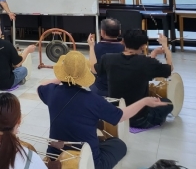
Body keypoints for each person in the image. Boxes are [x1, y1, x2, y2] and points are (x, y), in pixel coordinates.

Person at [38, 51, 168, 169]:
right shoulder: (94, 100)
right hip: (87, 161)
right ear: (85, 74)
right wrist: (145, 101)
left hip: (55, 155)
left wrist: (65, 76)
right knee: (118, 144)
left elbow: (41, 86)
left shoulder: (51, 92)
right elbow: (121, 116)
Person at [92, 30, 174, 129]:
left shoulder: (108, 58)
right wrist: (165, 46)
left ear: (123, 42)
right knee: (168, 103)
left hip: (116, 116)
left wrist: (91, 46)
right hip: (139, 120)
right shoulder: (147, 62)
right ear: (143, 46)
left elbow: (93, 69)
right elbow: (170, 68)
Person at [88, 18, 125, 96]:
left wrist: (91, 46)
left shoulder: (96, 47)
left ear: (102, 32)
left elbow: (93, 70)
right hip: (121, 88)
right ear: (119, 32)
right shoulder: (125, 48)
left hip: (102, 89)